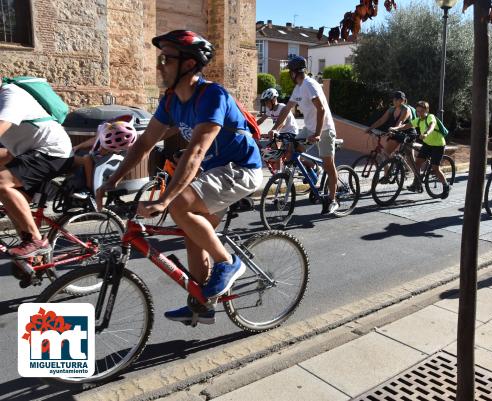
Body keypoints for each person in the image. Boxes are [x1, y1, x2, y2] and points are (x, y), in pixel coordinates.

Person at [96, 30, 263, 325]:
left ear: (188, 64)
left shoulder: (212, 96)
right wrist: (112, 181)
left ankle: (227, 262)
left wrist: (165, 199)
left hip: (243, 169)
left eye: (166, 59)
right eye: (160, 59)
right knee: (192, 232)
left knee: (180, 205)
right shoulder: (172, 101)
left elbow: (196, 151)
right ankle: (203, 303)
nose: (160, 65)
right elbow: (144, 143)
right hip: (216, 173)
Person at [0, 79, 73, 258]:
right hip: (30, 154)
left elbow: (2, 127)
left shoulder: (11, 94)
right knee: (13, 205)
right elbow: (9, 153)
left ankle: (35, 240)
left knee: (1, 183)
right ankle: (34, 256)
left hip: (52, 152)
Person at [269, 56, 339, 214]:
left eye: (289, 72)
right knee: (292, 151)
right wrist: (275, 129)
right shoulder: (298, 89)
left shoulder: (310, 85)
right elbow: (286, 110)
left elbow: (320, 109)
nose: (289, 75)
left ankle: (333, 199)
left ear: (295, 72)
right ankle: (313, 174)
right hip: (309, 128)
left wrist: (318, 134)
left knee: (329, 164)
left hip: (325, 129)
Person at [394, 101, 450, 198]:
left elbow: (431, 125)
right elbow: (407, 125)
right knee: (417, 163)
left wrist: (426, 133)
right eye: (418, 111)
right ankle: (417, 184)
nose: (419, 113)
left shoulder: (430, 117)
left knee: (435, 168)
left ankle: (446, 186)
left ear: (426, 111)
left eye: (421, 111)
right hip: (427, 144)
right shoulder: (418, 120)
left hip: (438, 145)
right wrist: (395, 129)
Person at [71, 115, 138, 195]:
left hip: (105, 162)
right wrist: (78, 146)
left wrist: (108, 151)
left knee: (85, 159)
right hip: (96, 156)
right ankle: (77, 187)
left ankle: (88, 189)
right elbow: (95, 140)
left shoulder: (121, 136)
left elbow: (119, 152)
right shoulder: (105, 128)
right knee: (79, 158)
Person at [365, 91, 419, 179]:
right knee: (385, 153)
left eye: (396, 99)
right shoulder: (392, 109)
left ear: (402, 100)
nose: (394, 100)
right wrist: (370, 128)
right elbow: (381, 120)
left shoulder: (406, 109)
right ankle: (387, 176)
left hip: (408, 134)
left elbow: (400, 122)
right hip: (397, 132)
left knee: (410, 160)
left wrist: (393, 130)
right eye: (393, 99)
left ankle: (417, 180)